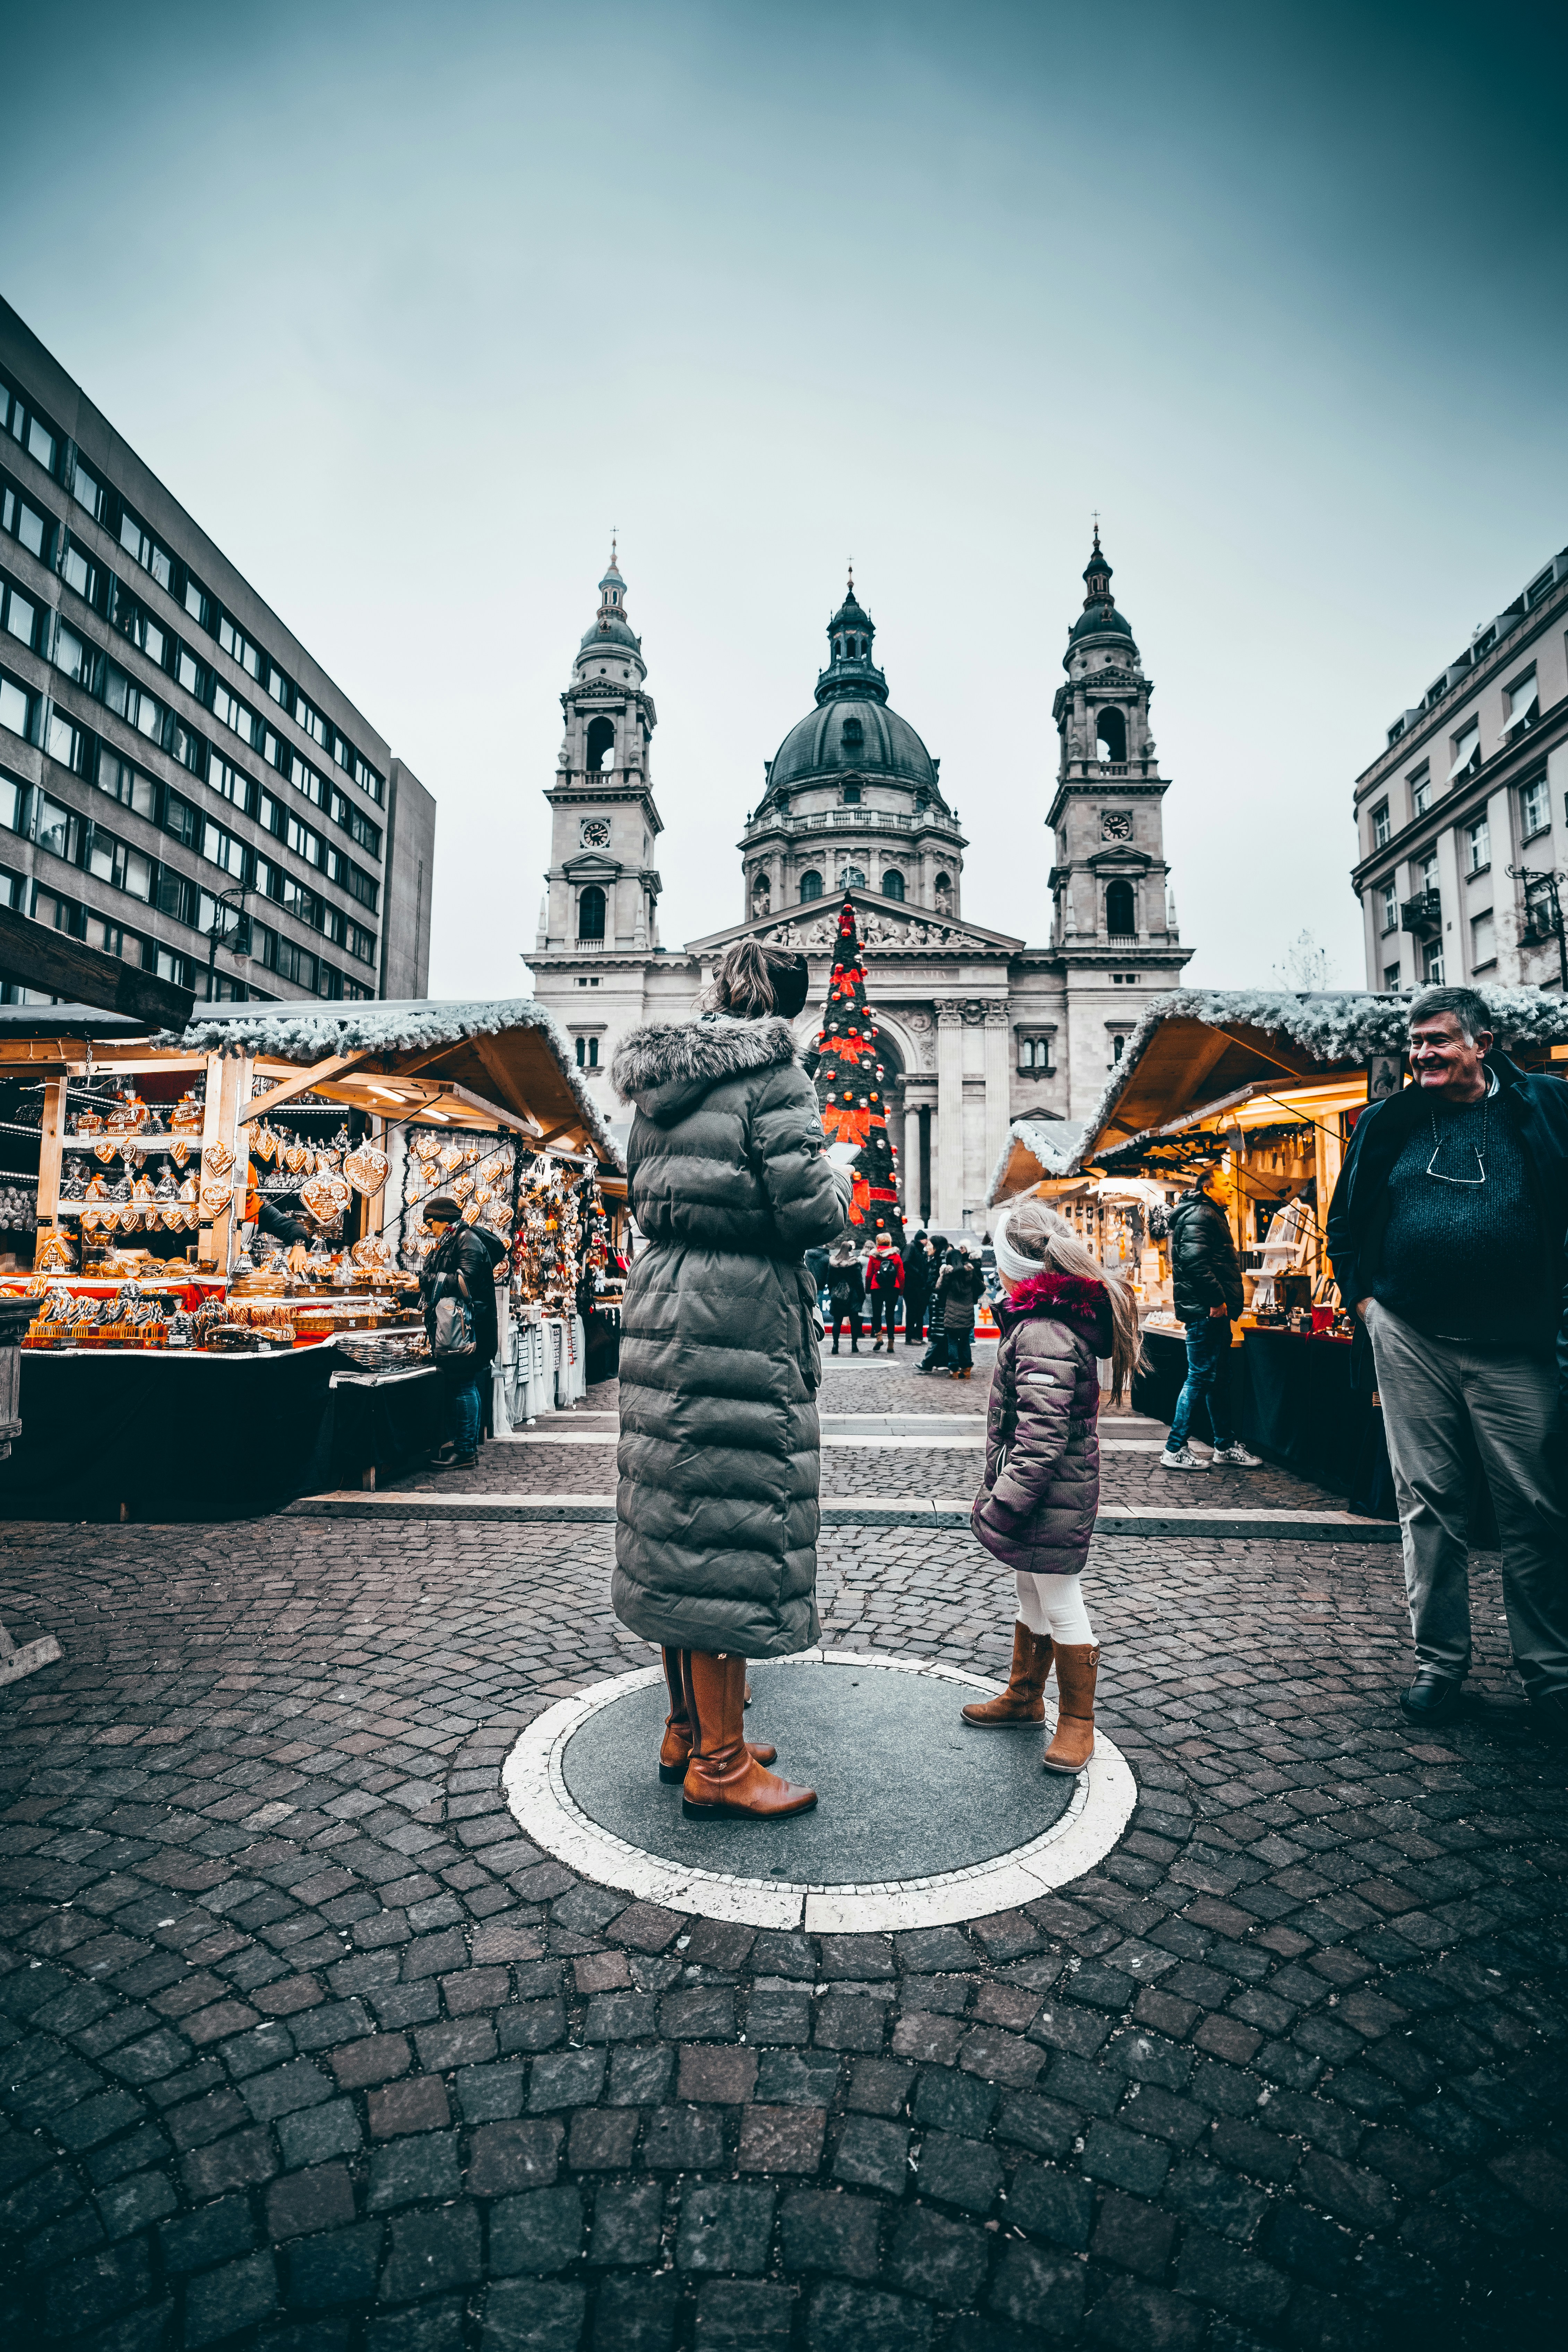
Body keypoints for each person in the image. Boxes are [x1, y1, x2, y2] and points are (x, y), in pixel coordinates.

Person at [610, 937, 851, 1817]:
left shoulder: (659, 1081)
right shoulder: (777, 1077)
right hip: (739, 1310)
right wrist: (841, 1187)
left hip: (663, 1295)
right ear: (786, 1008)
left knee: (679, 1522)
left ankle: (687, 1727)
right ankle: (721, 1765)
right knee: (727, 1527)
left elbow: (644, 1192)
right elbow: (808, 1212)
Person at [1326, 985, 1568, 1739]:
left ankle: (1550, 1673)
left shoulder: (1546, 1105)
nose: (1423, 1053)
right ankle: (1439, 1665)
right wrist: (1363, 1302)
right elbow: (1347, 1216)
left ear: (1481, 1042)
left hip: (1515, 1342)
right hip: (1409, 1334)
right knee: (1427, 1503)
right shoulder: (1386, 1120)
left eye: (1438, 1040)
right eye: (1416, 1042)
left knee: (1535, 1505)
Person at [962, 1198, 1140, 1772]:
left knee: (1061, 1602)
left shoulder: (1040, 1329)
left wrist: (1002, 1504)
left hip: (1047, 1497)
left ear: (1014, 1266)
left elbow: (1040, 1437)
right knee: (1032, 1592)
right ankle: (1024, 1694)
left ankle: (1077, 1723)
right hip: (1048, 1494)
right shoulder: (1043, 1321)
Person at [1159, 1164, 1261, 1471]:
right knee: (1201, 1376)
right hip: (1207, 1311)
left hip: (1214, 1311)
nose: (1231, 1188)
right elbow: (1194, 1262)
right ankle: (1175, 1448)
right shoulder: (1202, 1215)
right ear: (1208, 1189)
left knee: (1218, 1378)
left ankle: (1225, 1445)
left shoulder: (1209, 1214)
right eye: (1225, 1184)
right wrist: (1217, 1300)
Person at [420, 1195, 505, 1470]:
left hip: (469, 1330)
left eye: (430, 1222)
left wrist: (428, 1280)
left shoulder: (466, 1240)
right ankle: (465, 1445)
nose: (428, 1228)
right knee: (463, 1384)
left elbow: (465, 1281)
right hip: (462, 1328)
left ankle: (465, 1450)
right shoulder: (453, 1239)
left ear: (444, 1220)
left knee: (464, 1385)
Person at [864, 1230, 904, 1351]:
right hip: (893, 1288)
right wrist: (901, 1291)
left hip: (877, 1288)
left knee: (877, 1314)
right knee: (890, 1315)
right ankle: (891, 1342)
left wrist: (868, 1289)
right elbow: (902, 1276)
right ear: (890, 1242)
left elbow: (869, 1275)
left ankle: (879, 1338)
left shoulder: (874, 1256)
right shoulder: (896, 1257)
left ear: (878, 1242)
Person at [824, 1238, 864, 1353]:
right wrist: (862, 1296)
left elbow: (829, 1281)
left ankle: (835, 1346)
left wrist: (834, 1291)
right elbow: (859, 1282)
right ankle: (854, 1346)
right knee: (854, 1322)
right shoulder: (855, 1264)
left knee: (837, 1321)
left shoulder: (833, 1264)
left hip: (838, 1297)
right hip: (853, 1297)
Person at [903, 1230, 934, 1345]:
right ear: (921, 1239)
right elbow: (906, 1262)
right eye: (926, 1239)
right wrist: (919, 1274)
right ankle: (910, 1337)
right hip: (911, 1286)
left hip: (917, 1286)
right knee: (912, 1311)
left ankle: (917, 1336)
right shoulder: (911, 1247)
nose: (927, 1242)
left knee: (917, 1311)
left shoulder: (919, 1251)